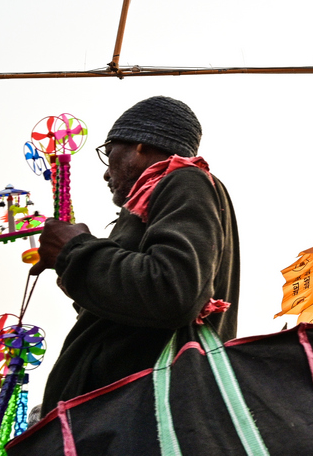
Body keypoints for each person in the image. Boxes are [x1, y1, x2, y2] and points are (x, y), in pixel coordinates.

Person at [30, 96, 240, 415]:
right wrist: (75, 270)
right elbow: (133, 310)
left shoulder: (184, 179)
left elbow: (174, 291)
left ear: (140, 146)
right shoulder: (153, 198)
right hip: (123, 411)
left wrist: (76, 250)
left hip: (142, 414)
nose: (106, 173)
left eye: (109, 152)